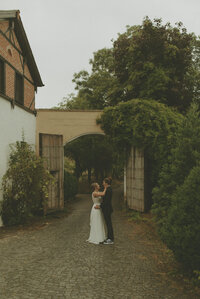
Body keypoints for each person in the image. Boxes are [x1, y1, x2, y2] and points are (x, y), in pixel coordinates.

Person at [101, 177, 114, 245]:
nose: (102, 184)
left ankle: (110, 239)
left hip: (107, 209)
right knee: (108, 224)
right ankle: (109, 237)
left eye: (103, 182)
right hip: (107, 209)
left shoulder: (108, 190)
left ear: (106, 183)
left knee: (109, 224)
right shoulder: (108, 189)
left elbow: (106, 201)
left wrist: (100, 206)